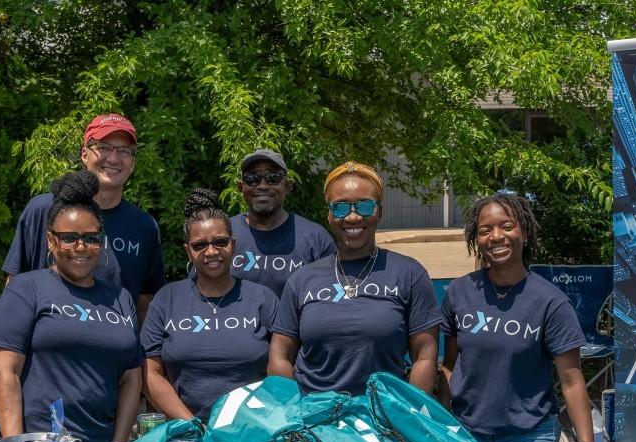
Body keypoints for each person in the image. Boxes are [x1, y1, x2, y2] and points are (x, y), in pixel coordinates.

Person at [437, 193, 617, 442]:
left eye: (507, 226)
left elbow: (571, 381)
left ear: (525, 232)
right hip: (467, 435)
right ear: (476, 239)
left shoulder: (550, 301)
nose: (496, 236)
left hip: (529, 438)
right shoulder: (459, 292)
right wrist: (445, 425)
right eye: (485, 230)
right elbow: (449, 365)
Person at [0, 170, 143, 442]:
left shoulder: (120, 298)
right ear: (50, 240)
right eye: (69, 238)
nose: (80, 248)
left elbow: (131, 378)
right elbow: (4, 373)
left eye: (91, 239)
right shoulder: (27, 288)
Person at [269, 161, 441, 395]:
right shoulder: (302, 279)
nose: (352, 217)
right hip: (315, 418)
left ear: (380, 211)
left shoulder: (409, 273)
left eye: (365, 206)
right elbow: (280, 355)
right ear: (328, 215)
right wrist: (292, 412)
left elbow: (425, 356)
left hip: (384, 417)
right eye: (340, 208)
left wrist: (407, 416)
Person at [2, 114, 165, 323]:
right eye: (104, 147)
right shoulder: (43, 210)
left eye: (123, 150)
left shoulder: (144, 227)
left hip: (113, 350)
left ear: (132, 163)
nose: (114, 158)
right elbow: (13, 288)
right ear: (85, 154)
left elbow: (144, 306)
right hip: (48, 350)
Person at [142, 189, 279, 420]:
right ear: (188, 251)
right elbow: (149, 372)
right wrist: (192, 425)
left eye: (220, 242)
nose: (211, 251)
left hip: (255, 432)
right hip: (184, 435)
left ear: (233, 244)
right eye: (200, 245)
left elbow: (283, 365)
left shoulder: (262, 298)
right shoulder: (168, 299)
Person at [228, 148, 335, 297]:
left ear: (287, 186)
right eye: (252, 179)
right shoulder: (224, 233)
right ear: (241, 187)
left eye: (273, 178)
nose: (263, 186)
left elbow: (334, 295)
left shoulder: (315, 238)